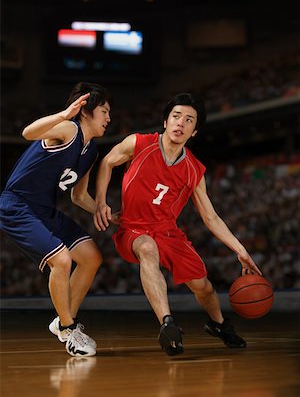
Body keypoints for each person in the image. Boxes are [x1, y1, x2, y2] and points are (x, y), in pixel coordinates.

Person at [93, 92, 262, 356]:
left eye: (189, 120)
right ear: (165, 121)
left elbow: (210, 217)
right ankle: (167, 324)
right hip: (133, 228)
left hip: (168, 232)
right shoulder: (138, 143)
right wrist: (101, 202)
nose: (180, 123)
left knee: (203, 287)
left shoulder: (194, 170)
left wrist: (240, 250)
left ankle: (218, 324)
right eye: (176, 117)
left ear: (194, 132)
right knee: (147, 248)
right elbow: (106, 162)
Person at [0, 82, 112, 357]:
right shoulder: (69, 129)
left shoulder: (91, 151)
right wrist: (64, 114)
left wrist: (105, 210)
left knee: (91, 257)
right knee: (61, 260)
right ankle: (67, 328)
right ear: (86, 111)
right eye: (105, 111)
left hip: (44, 209)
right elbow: (28, 133)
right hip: (17, 205)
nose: (109, 118)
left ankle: (63, 321)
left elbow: (78, 196)